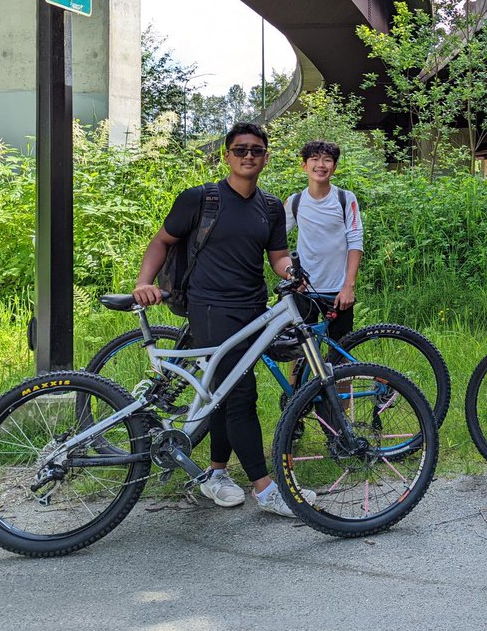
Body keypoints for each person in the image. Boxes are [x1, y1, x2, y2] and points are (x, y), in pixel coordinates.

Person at [132, 122, 312, 517]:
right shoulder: (200, 199)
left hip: (252, 309)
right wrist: (144, 282)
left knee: (222, 393)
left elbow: (277, 256)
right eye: (241, 149)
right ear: (226, 155)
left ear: (266, 157)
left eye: (257, 150)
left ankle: (215, 473)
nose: (249, 156)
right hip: (209, 309)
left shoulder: (270, 207)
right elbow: (162, 240)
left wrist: (291, 273)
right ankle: (265, 489)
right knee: (241, 395)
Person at [284, 140, 363, 347]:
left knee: (341, 351)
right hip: (303, 290)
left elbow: (355, 241)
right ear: (304, 166)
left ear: (334, 167)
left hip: (338, 291)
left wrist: (349, 286)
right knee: (301, 352)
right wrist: (290, 272)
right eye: (314, 159)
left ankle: (341, 372)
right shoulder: (295, 201)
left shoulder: (345, 198)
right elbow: (274, 239)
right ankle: (299, 374)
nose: (321, 165)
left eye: (327, 160)